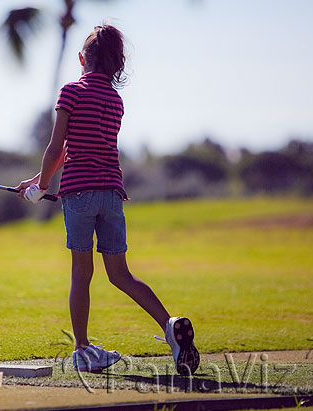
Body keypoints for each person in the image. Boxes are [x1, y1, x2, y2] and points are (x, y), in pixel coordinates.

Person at [16, 24, 199, 375]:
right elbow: (72, 149)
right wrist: (36, 181)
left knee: (81, 274)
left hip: (79, 194)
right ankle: (169, 325)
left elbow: (58, 147)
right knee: (121, 274)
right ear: (117, 63)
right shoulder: (115, 100)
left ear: (82, 58)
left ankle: (82, 348)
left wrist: (40, 188)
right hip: (112, 194)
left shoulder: (71, 92)